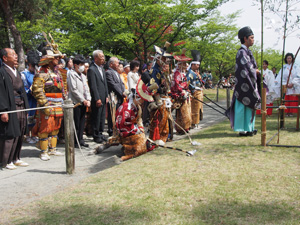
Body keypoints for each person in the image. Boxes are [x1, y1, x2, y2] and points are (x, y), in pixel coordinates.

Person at [32, 39, 65, 161]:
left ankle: (53, 149)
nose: (58, 60)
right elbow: (37, 90)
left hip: (58, 103)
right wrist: (44, 104)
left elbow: (62, 89)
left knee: (56, 127)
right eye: (56, 58)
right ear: (49, 59)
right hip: (48, 103)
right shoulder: (42, 73)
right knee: (45, 128)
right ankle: (43, 151)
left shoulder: (58, 73)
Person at [226, 26, 261, 136]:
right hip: (243, 85)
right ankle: (242, 129)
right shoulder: (241, 52)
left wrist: (255, 71)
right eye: (251, 37)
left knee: (250, 107)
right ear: (245, 38)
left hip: (250, 84)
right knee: (242, 107)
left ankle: (249, 128)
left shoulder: (247, 52)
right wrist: (255, 71)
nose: (253, 40)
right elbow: (247, 69)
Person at [0, 48, 29, 169]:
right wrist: (3, 110)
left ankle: (16, 157)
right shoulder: (2, 71)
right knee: (10, 133)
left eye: (16, 54)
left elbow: (22, 89)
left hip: (20, 104)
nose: (16, 56)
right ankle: (6, 160)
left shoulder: (16, 71)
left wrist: (26, 107)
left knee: (21, 131)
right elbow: (1, 92)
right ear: (5, 58)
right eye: (13, 54)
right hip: (10, 106)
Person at [115, 90, 147, 161]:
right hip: (125, 132)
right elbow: (122, 123)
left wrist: (140, 128)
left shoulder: (138, 107)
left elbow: (139, 120)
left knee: (144, 141)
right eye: (142, 98)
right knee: (142, 146)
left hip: (133, 130)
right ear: (136, 97)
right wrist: (135, 130)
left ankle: (128, 149)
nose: (143, 101)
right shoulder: (126, 107)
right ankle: (127, 150)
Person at [67, 54, 91, 148]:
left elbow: (86, 88)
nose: (82, 67)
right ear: (76, 65)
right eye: (81, 64)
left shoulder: (83, 76)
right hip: (75, 102)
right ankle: (75, 141)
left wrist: (88, 99)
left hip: (84, 102)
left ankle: (81, 139)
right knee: (76, 122)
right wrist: (83, 99)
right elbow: (73, 89)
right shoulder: (71, 74)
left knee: (82, 121)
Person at [87, 50, 108, 143]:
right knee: (97, 116)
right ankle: (96, 135)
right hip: (97, 97)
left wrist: (107, 95)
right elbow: (93, 86)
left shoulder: (102, 69)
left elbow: (105, 84)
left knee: (102, 116)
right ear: (95, 58)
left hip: (104, 96)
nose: (103, 59)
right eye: (101, 57)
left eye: (103, 57)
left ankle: (100, 132)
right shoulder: (91, 69)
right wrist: (97, 98)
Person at [171, 49, 192, 134]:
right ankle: (181, 128)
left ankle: (186, 126)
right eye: (183, 64)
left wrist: (187, 89)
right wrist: (182, 91)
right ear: (180, 65)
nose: (185, 66)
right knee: (181, 112)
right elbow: (177, 84)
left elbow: (185, 83)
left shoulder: (183, 73)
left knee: (186, 111)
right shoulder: (177, 73)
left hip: (184, 92)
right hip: (179, 94)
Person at [21, 50, 40, 144]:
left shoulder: (37, 74)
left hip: (36, 99)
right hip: (28, 98)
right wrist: (30, 91)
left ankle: (34, 134)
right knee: (29, 117)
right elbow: (23, 87)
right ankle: (28, 135)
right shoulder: (24, 74)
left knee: (35, 117)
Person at [106, 57, 126, 136]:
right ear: (111, 64)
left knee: (119, 114)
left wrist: (124, 91)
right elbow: (113, 85)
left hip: (120, 96)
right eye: (117, 63)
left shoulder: (117, 73)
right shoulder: (108, 73)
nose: (118, 64)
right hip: (114, 96)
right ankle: (111, 130)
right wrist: (121, 92)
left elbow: (121, 83)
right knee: (113, 114)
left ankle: (118, 129)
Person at [186, 50, 204, 128]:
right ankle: (193, 123)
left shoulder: (196, 72)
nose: (198, 66)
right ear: (192, 65)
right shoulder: (190, 73)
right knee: (195, 108)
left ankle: (196, 122)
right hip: (195, 92)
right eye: (196, 65)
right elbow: (188, 83)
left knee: (199, 108)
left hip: (199, 91)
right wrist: (194, 88)